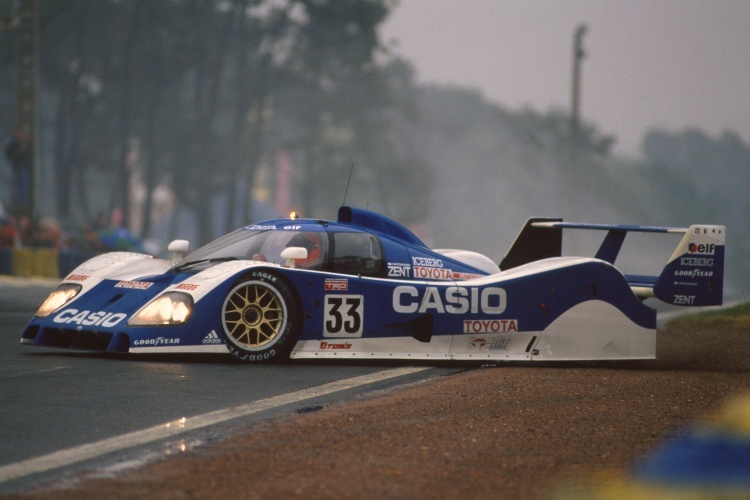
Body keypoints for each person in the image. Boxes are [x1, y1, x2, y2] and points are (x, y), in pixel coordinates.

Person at [4, 130, 32, 217]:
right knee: (20, 184)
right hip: (18, 167)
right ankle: (21, 202)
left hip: (20, 166)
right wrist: (21, 150)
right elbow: (12, 156)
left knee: (23, 184)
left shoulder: (21, 143)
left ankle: (22, 202)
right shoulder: (14, 144)